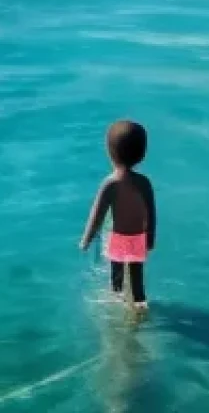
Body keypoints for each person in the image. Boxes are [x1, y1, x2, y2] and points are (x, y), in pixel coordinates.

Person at [79, 119, 155, 309]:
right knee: (137, 279)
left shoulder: (110, 184)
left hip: (119, 237)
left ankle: (118, 301)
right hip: (138, 238)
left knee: (116, 279)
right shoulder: (144, 183)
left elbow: (97, 215)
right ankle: (139, 307)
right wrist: (150, 237)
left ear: (109, 153)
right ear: (142, 154)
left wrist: (86, 240)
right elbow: (151, 212)